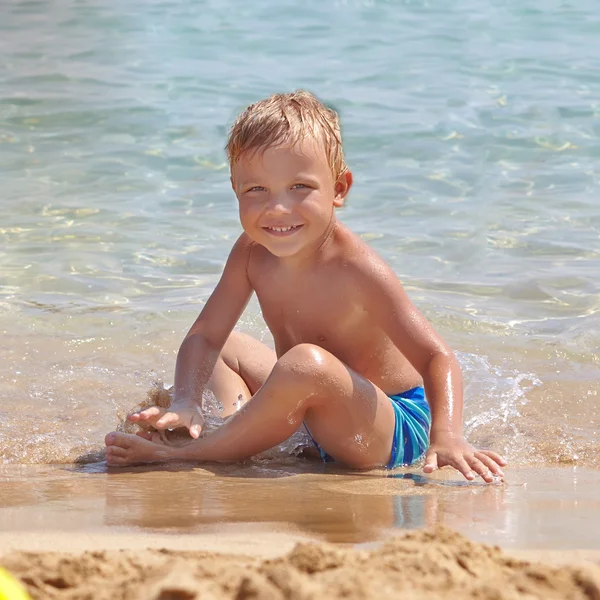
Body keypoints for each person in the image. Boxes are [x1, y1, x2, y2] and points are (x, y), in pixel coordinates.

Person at [105, 90, 506, 482]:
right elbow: (206, 337)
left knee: (305, 363)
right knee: (229, 345)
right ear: (235, 189)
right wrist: (187, 399)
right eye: (256, 189)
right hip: (313, 418)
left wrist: (447, 436)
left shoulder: (356, 267)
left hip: (389, 430)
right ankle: (217, 431)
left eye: (300, 187)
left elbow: (437, 357)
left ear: (340, 189)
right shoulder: (250, 253)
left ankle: (190, 453)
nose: (277, 209)